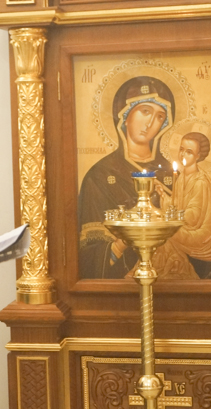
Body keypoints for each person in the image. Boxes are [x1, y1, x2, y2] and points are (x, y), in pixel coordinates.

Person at [78, 76, 174, 279]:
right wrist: (122, 243)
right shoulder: (100, 175)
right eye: (145, 111)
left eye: (159, 116)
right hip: (120, 287)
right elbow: (88, 254)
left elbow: (194, 224)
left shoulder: (173, 174)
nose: (150, 123)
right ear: (124, 115)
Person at [154, 132, 211, 279]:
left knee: (164, 234)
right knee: (162, 231)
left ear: (198, 156)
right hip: (185, 227)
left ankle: (172, 270)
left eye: (189, 152)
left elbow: (193, 216)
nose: (183, 154)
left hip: (199, 233)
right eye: (181, 149)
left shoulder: (200, 182)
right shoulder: (182, 177)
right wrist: (164, 196)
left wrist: (172, 216)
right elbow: (176, 205)